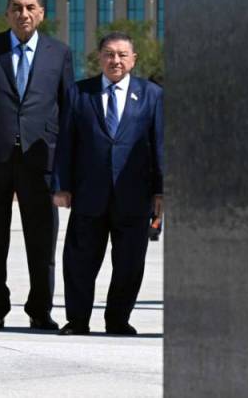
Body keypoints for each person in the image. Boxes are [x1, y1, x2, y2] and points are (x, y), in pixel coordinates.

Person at [0, 0, 74, 332]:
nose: (24, 14)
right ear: (7, 14)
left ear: (41, 14)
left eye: (30, 7)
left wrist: (65, 168)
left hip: (40, 159)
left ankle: (40, 310)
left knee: (42, 242)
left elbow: (68, 109)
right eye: (16, 8)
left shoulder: (59, 53)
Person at [52, 31, 164, 336]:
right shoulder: (79, 93)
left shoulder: (152, 94)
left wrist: (161, 190)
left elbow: (160, 145)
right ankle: (77, 320)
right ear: (99, 58)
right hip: (89, 193)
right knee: (79, 261)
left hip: (135, 195)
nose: (116, 60)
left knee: (130, 263)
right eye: (109, 54)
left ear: (133, 59)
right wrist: (61, 185)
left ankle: (118, 320)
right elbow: (66, 142)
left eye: (122, 55)